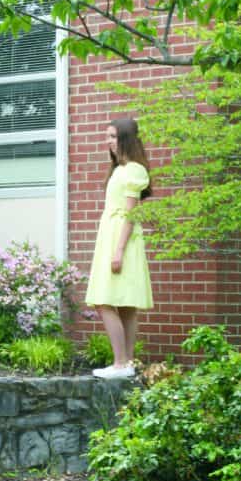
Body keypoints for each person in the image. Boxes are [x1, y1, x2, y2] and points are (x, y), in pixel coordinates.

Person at [85, 117, 154, 379]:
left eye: (113, 136)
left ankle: (120, 363)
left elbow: (130, 215)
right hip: (110, 235)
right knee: (122, 303)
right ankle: (125, 364)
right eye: (107, 136)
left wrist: (118, 251)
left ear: (125, 138)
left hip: (121, 239)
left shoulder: (134, 170)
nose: (108, 141)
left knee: (104, 300)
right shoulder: (119, 170)